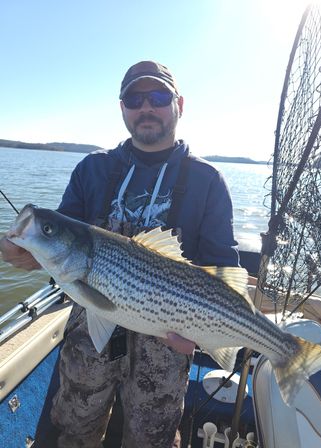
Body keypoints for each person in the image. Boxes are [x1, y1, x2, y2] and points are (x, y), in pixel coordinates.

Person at [0, 61, 239, 448]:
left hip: (167, 334)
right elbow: (60, 244)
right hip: (89, 330)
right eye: (134, 98)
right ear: (122, 107)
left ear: (179, 104)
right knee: (74, 427)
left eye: (158, 97)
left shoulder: (207, 180)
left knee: (152, 438)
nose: (146, 107)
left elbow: (225, 270)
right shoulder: (93, 169)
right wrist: (23, 252)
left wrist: (203, 335)